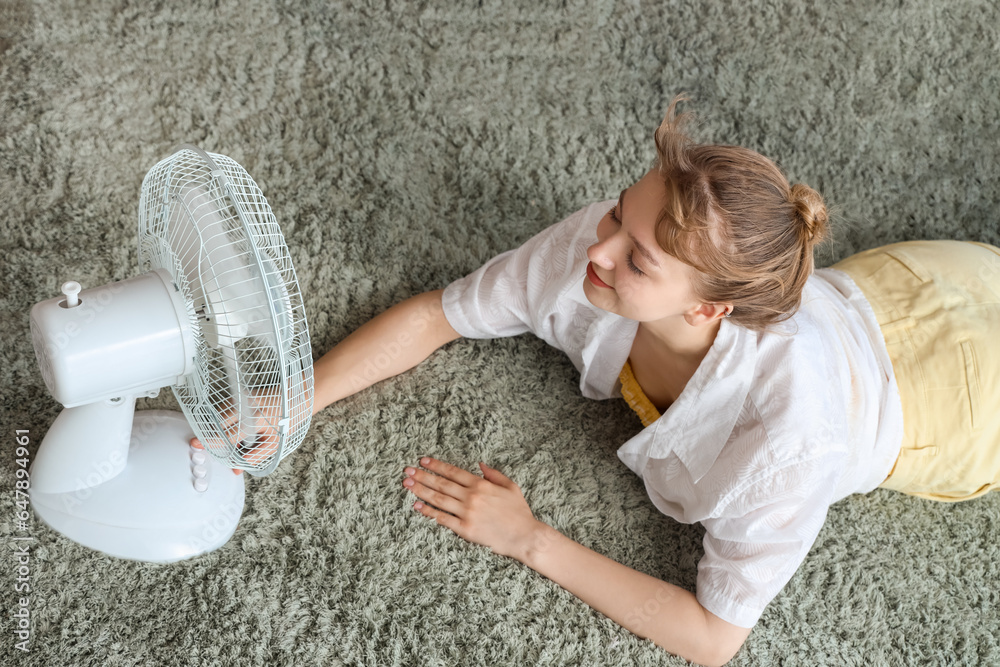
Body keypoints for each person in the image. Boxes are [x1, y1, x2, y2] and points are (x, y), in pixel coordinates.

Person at [193, 96, 1000, 667]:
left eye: (637, 256)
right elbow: (445, 313)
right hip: (907, 281)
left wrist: (530, 539)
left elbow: (714, 637)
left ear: (711, 310)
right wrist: (298, 393)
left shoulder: (791, 438)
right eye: (620, 213)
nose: (599, 248)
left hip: (956, 403)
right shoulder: (599, 248)